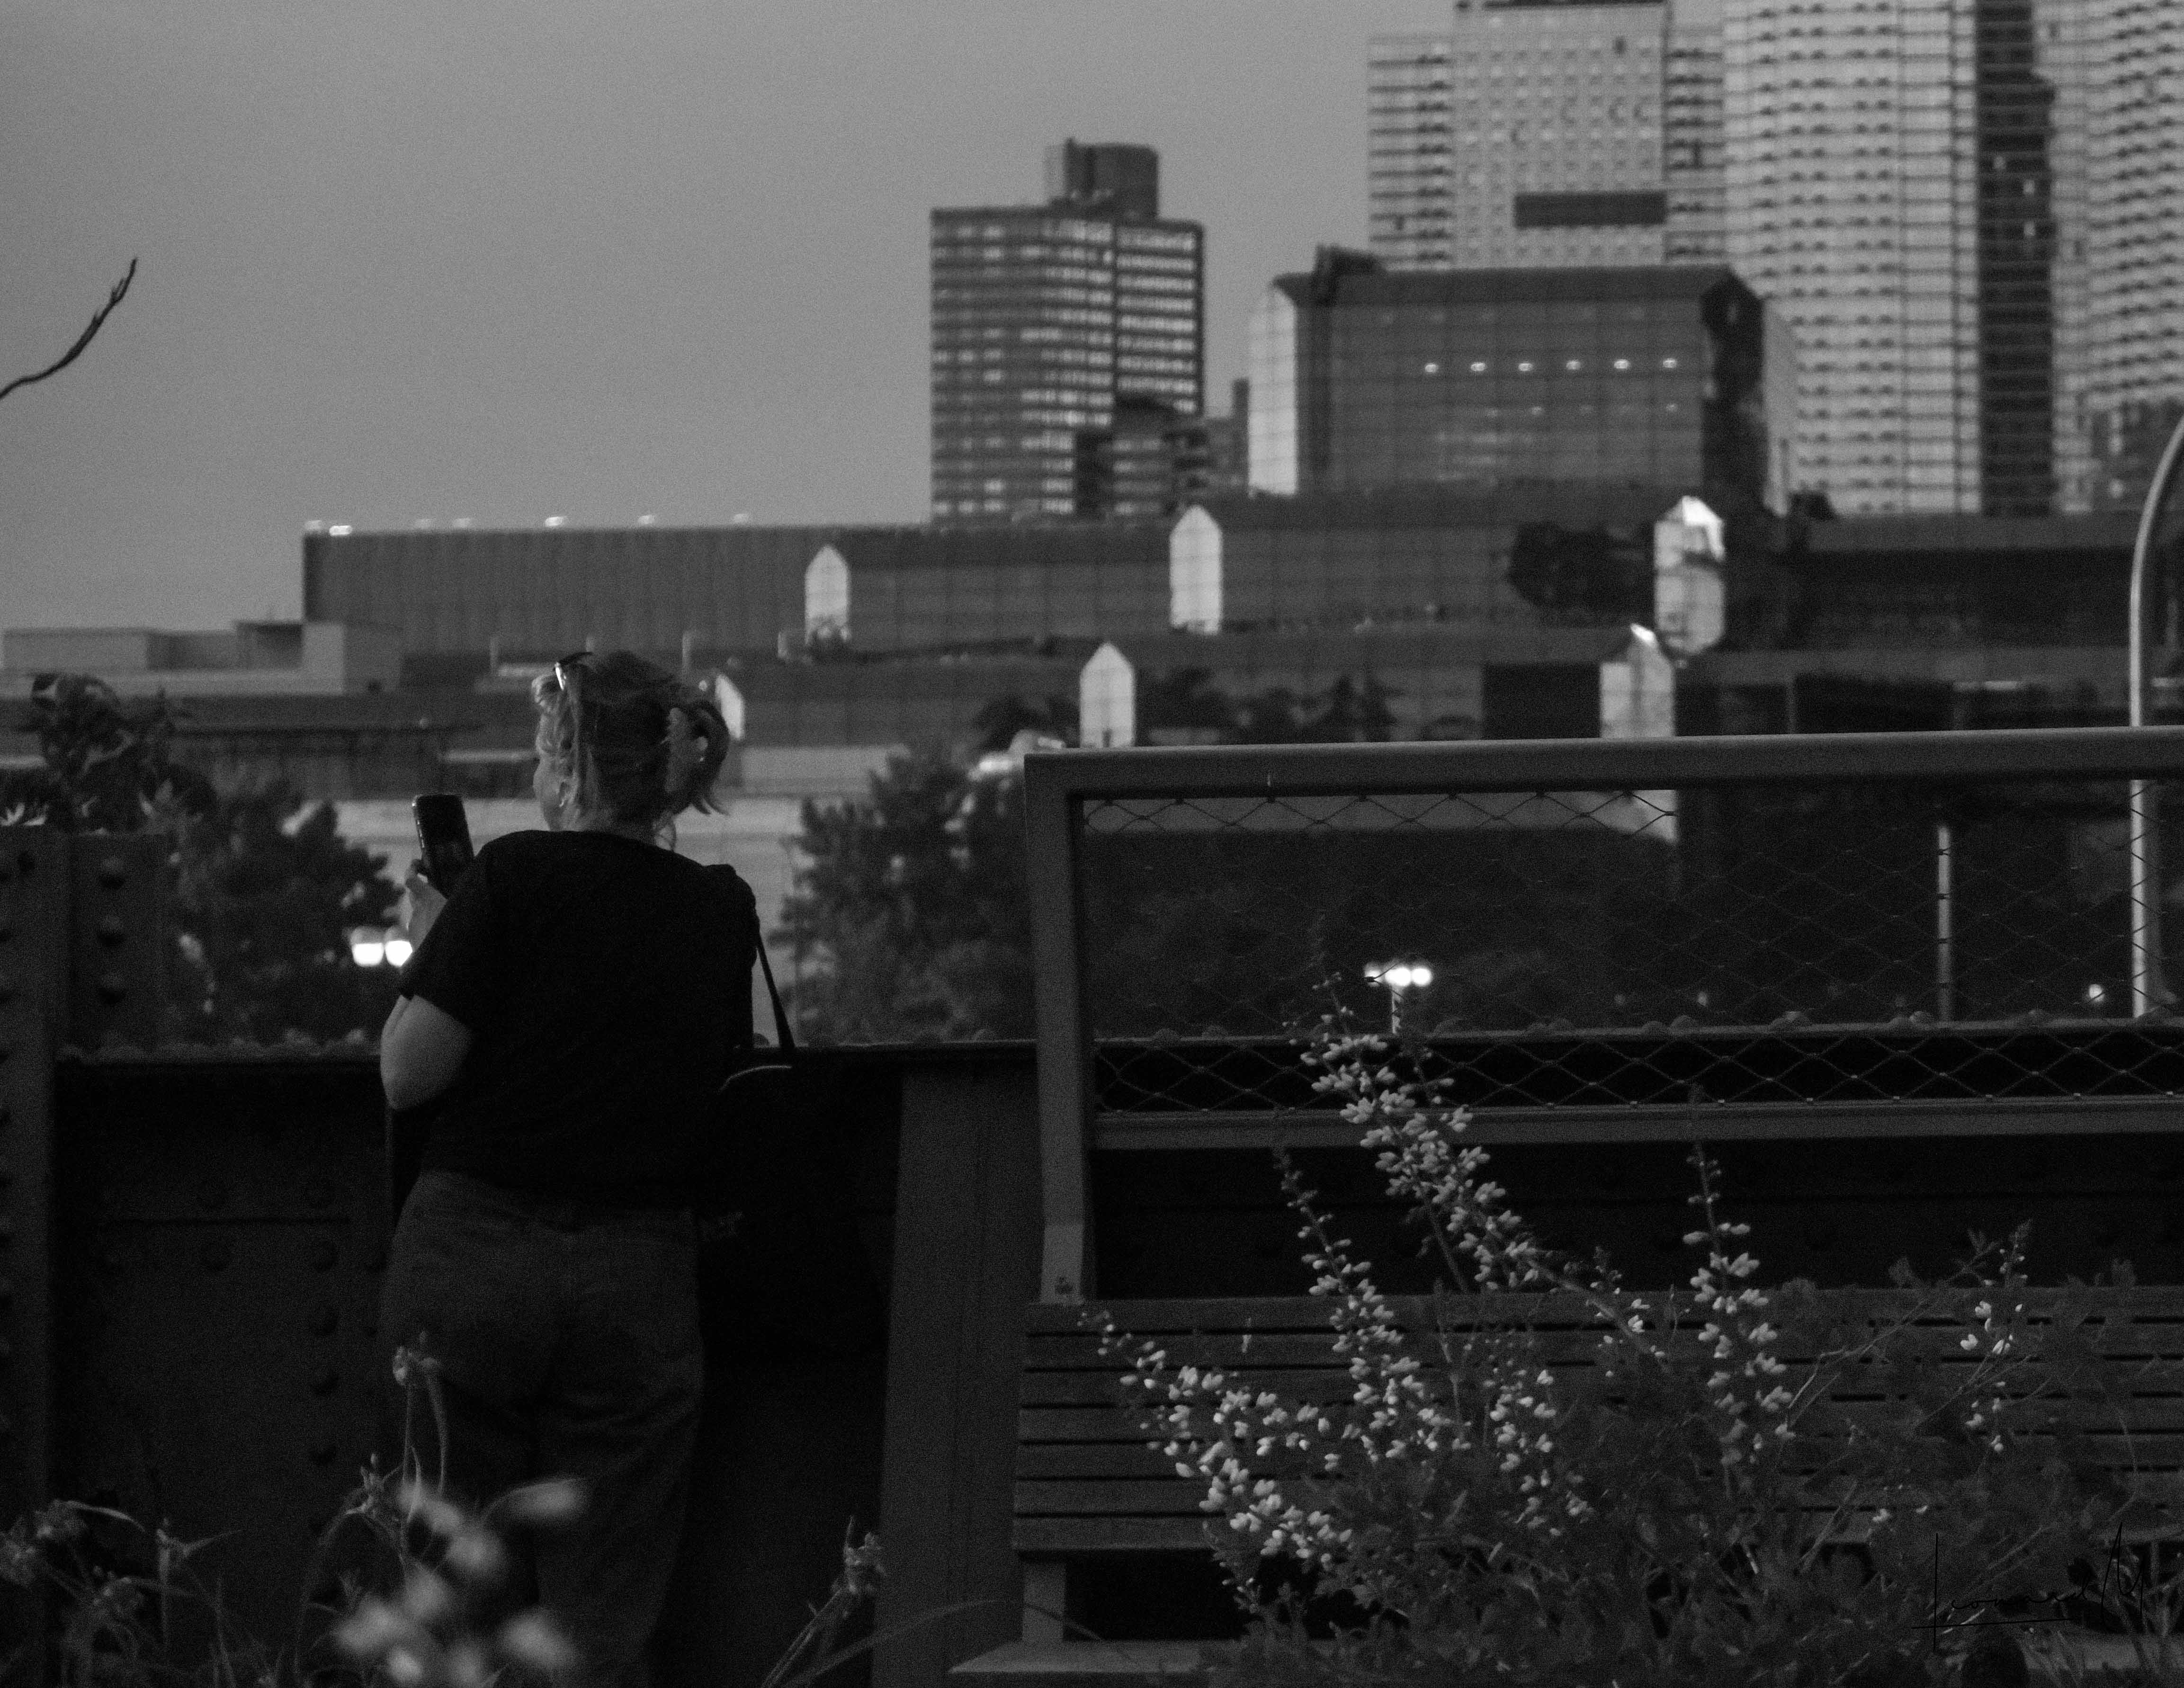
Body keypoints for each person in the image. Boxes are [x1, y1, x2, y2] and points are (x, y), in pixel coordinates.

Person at [377, 649, 755, 1688]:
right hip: (640, 1272)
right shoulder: (718, 907)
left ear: (568, 763)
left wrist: (437, 945)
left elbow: (409, 1073)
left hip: (473, 1254)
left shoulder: (511, 878)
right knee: (604, 1622)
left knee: (450, 1605)